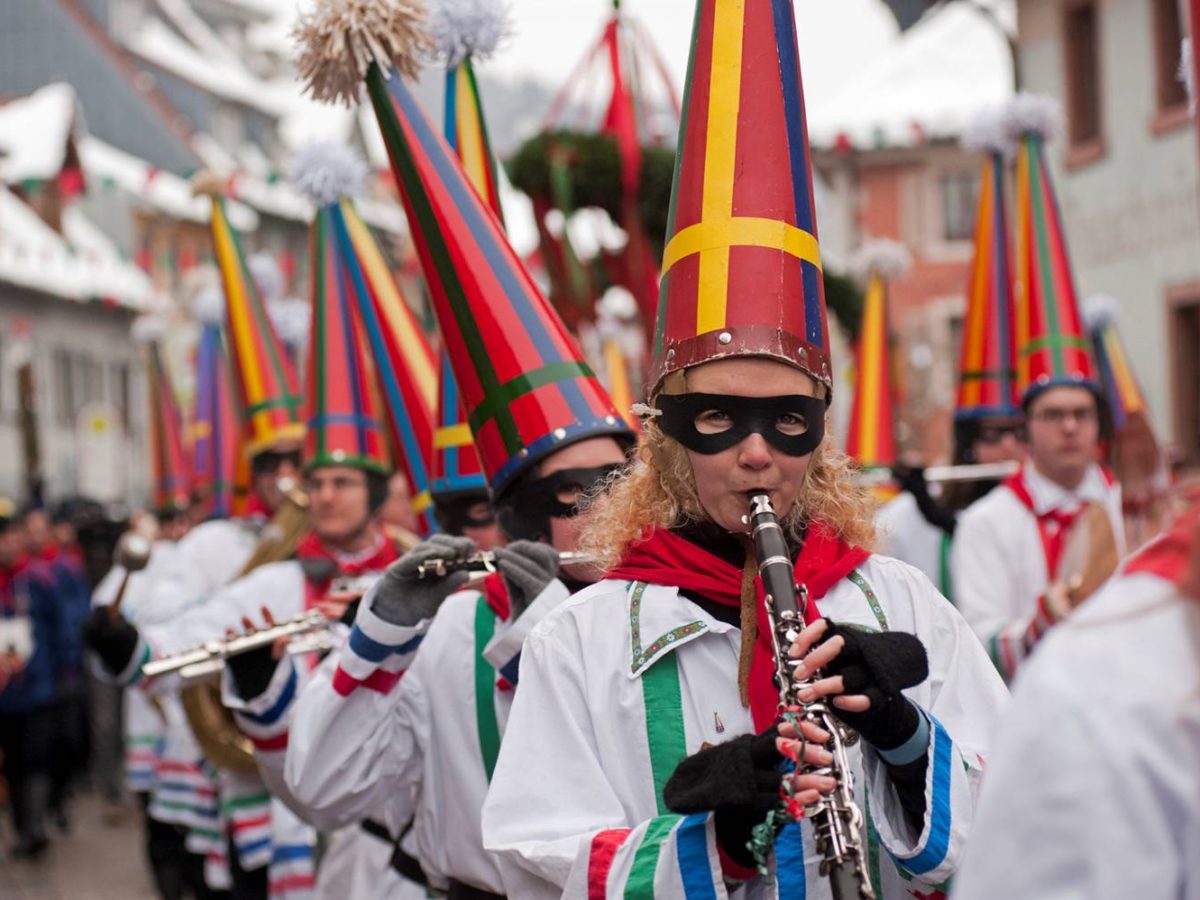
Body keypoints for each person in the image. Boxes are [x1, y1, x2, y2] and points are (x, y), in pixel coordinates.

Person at [479, 2, 1007, 896]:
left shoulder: (895, 597)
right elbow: (534, 857)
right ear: (669, 442)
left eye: (789, 422)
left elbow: (1016, 819)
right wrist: (713, 843)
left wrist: (905, 740)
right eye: (722, 420)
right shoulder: (590, 637)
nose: (759, 455)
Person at [272, 24, 637, 896]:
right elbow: (321, 793)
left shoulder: (672, 616)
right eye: (573, 490)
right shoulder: (447, 641)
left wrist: (551, 627)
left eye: (620, 480)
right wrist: (379, 634)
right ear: (517, 516)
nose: (609, 506)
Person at [952, 491, 1200, 899]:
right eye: (1052, 419)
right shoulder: (1091, 681)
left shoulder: (1115, 502)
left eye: (1083, 419)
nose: (1070, 426)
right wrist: (1041, 625)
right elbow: (977, 655)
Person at [0, 512, 66, 859]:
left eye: (12, 535)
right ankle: (24, 826)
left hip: (38, 685)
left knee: (38, 756)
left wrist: (61, 672)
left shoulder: (38, 579)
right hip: (5, 693)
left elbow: (60, 627)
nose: (9, 543)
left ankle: (36, 824)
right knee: (14, 763)